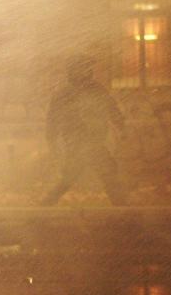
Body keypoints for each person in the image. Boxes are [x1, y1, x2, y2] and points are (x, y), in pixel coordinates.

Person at [42, 56, 127, 206]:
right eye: (83, 67)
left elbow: (111, 107)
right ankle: (121, 205)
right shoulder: (65, 93)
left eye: (88, 67)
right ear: (73, 70)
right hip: (77, 141)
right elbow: (53, 117)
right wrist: (51, 137)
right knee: (102, 172)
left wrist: (120, 125)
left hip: (93, 140)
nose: (87, 70)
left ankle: (48, 202)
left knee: (83, 174)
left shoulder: (97, 90)